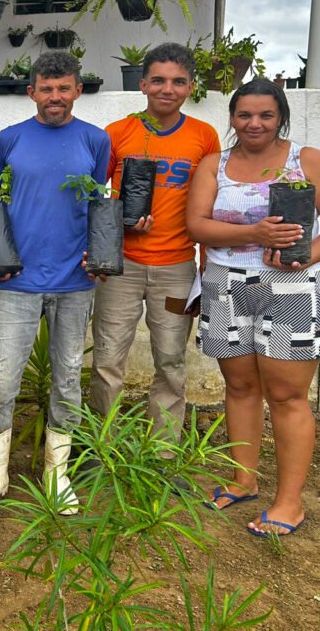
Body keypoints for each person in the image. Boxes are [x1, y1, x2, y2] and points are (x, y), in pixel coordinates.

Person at [186, 78, 320, 536]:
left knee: (286, 395)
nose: (255, 123)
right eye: (245, 115)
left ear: (281, 116)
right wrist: (255, 235)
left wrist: (306, 253)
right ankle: (243, 479)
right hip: (226, 283)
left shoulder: (307, 161)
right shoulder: (215, 165)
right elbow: (197, 225)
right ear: (232, 119)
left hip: (294, 286)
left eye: (265, 115)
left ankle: (289, 503)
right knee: (240, 387)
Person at [0, 51, 110, 516]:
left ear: (78, 91)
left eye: (63, 88)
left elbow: (99, 205)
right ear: (31, 92)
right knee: (1, 377)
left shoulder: (95, 140)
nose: (55, 97)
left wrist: (100, 253)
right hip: (17, 280)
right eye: (46, 89)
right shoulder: (8, 140)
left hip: (76, 280)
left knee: (68, 377)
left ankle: (57, 473)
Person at [88, 43, 221, 439]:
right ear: (143, 84)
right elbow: (93, 196)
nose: (168, 89)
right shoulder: (118, 133)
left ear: (191, 87)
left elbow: (211, 206)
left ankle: (163, 452)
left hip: (177, 270)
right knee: (108, 361)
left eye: (179, 81)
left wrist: (205, 271)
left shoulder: (204, 137)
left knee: (171, 361)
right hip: (120, 268)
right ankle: (102, 449)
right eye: (159, 80)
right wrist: (119, 227)